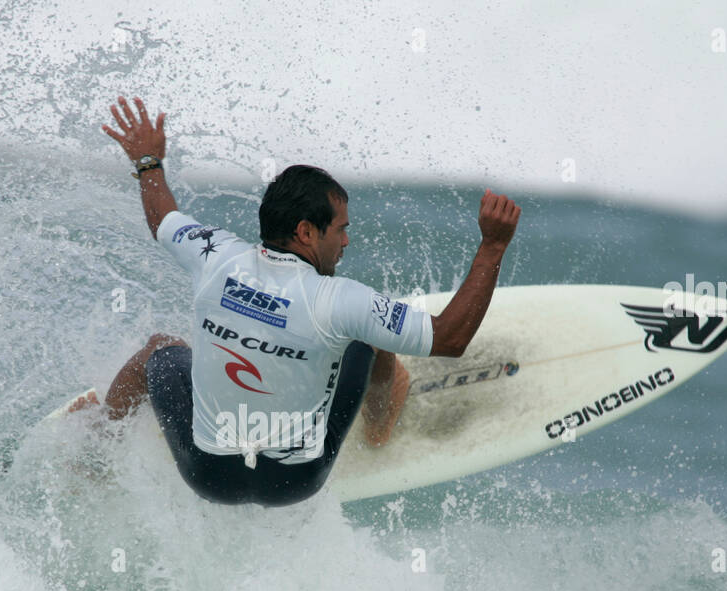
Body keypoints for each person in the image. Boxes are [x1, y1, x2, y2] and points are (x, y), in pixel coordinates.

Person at [99, 95, 520, 506]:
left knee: (158, 347)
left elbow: (162, 220)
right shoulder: (341, 301)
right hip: (295, 481)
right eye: (340, 229)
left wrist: (148, 162)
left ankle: (98, 446)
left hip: (209, 476)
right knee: (371, 337)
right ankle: (380, 422)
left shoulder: (215, 257)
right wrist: (493, 246)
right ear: (306, 232)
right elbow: (449, 338)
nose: (346, 241)